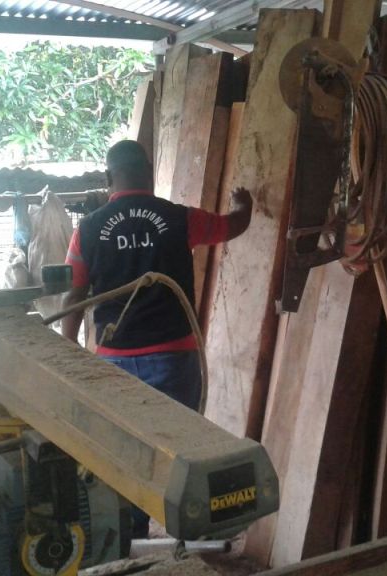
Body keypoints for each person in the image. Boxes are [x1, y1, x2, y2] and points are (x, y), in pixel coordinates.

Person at [61, 139, 252, 537]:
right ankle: (189, 532)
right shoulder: (179, 218)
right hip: (173, 358)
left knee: (126, 451)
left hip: (114, 362)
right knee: (181, 448)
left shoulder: (88, 230)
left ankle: (132, 533)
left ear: (109, 178)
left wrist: (69, 349)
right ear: (148, 173)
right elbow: (231, 226)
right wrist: (244, 205)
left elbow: (73, 295)